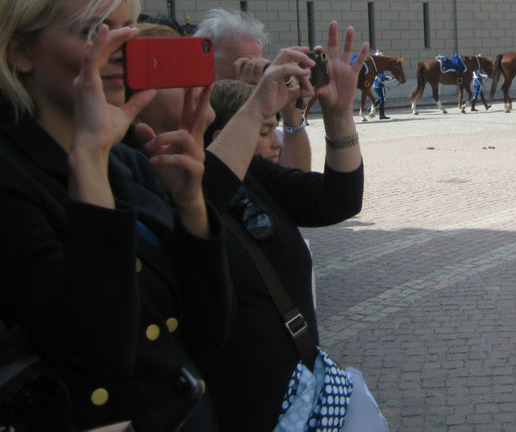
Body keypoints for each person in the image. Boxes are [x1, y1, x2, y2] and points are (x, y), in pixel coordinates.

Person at [0, 0, 233, 431]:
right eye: (93, 31)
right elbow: (98, 351)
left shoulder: (128, 161)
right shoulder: (13, 175)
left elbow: (211, 330)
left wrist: (191, 203)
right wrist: (86, 160)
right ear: (20, 50)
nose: (120, 51)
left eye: (126, 28)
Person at [134, 21, 387, 431]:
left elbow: (337, 200)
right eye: (166, 67)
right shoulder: (138, 181)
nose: (192, 78)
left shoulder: (243, 170)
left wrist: (338, 114)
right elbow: (196, 201)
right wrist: (256, 109)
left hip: (298, 396)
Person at [194, 8, 311, 172]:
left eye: (257, 65)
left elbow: (297, 188)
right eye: (242, 65)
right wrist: (237, 100)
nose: (253, 73)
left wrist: (291, 112)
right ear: (204, 64)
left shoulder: (270, 130)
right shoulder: (191, 123)